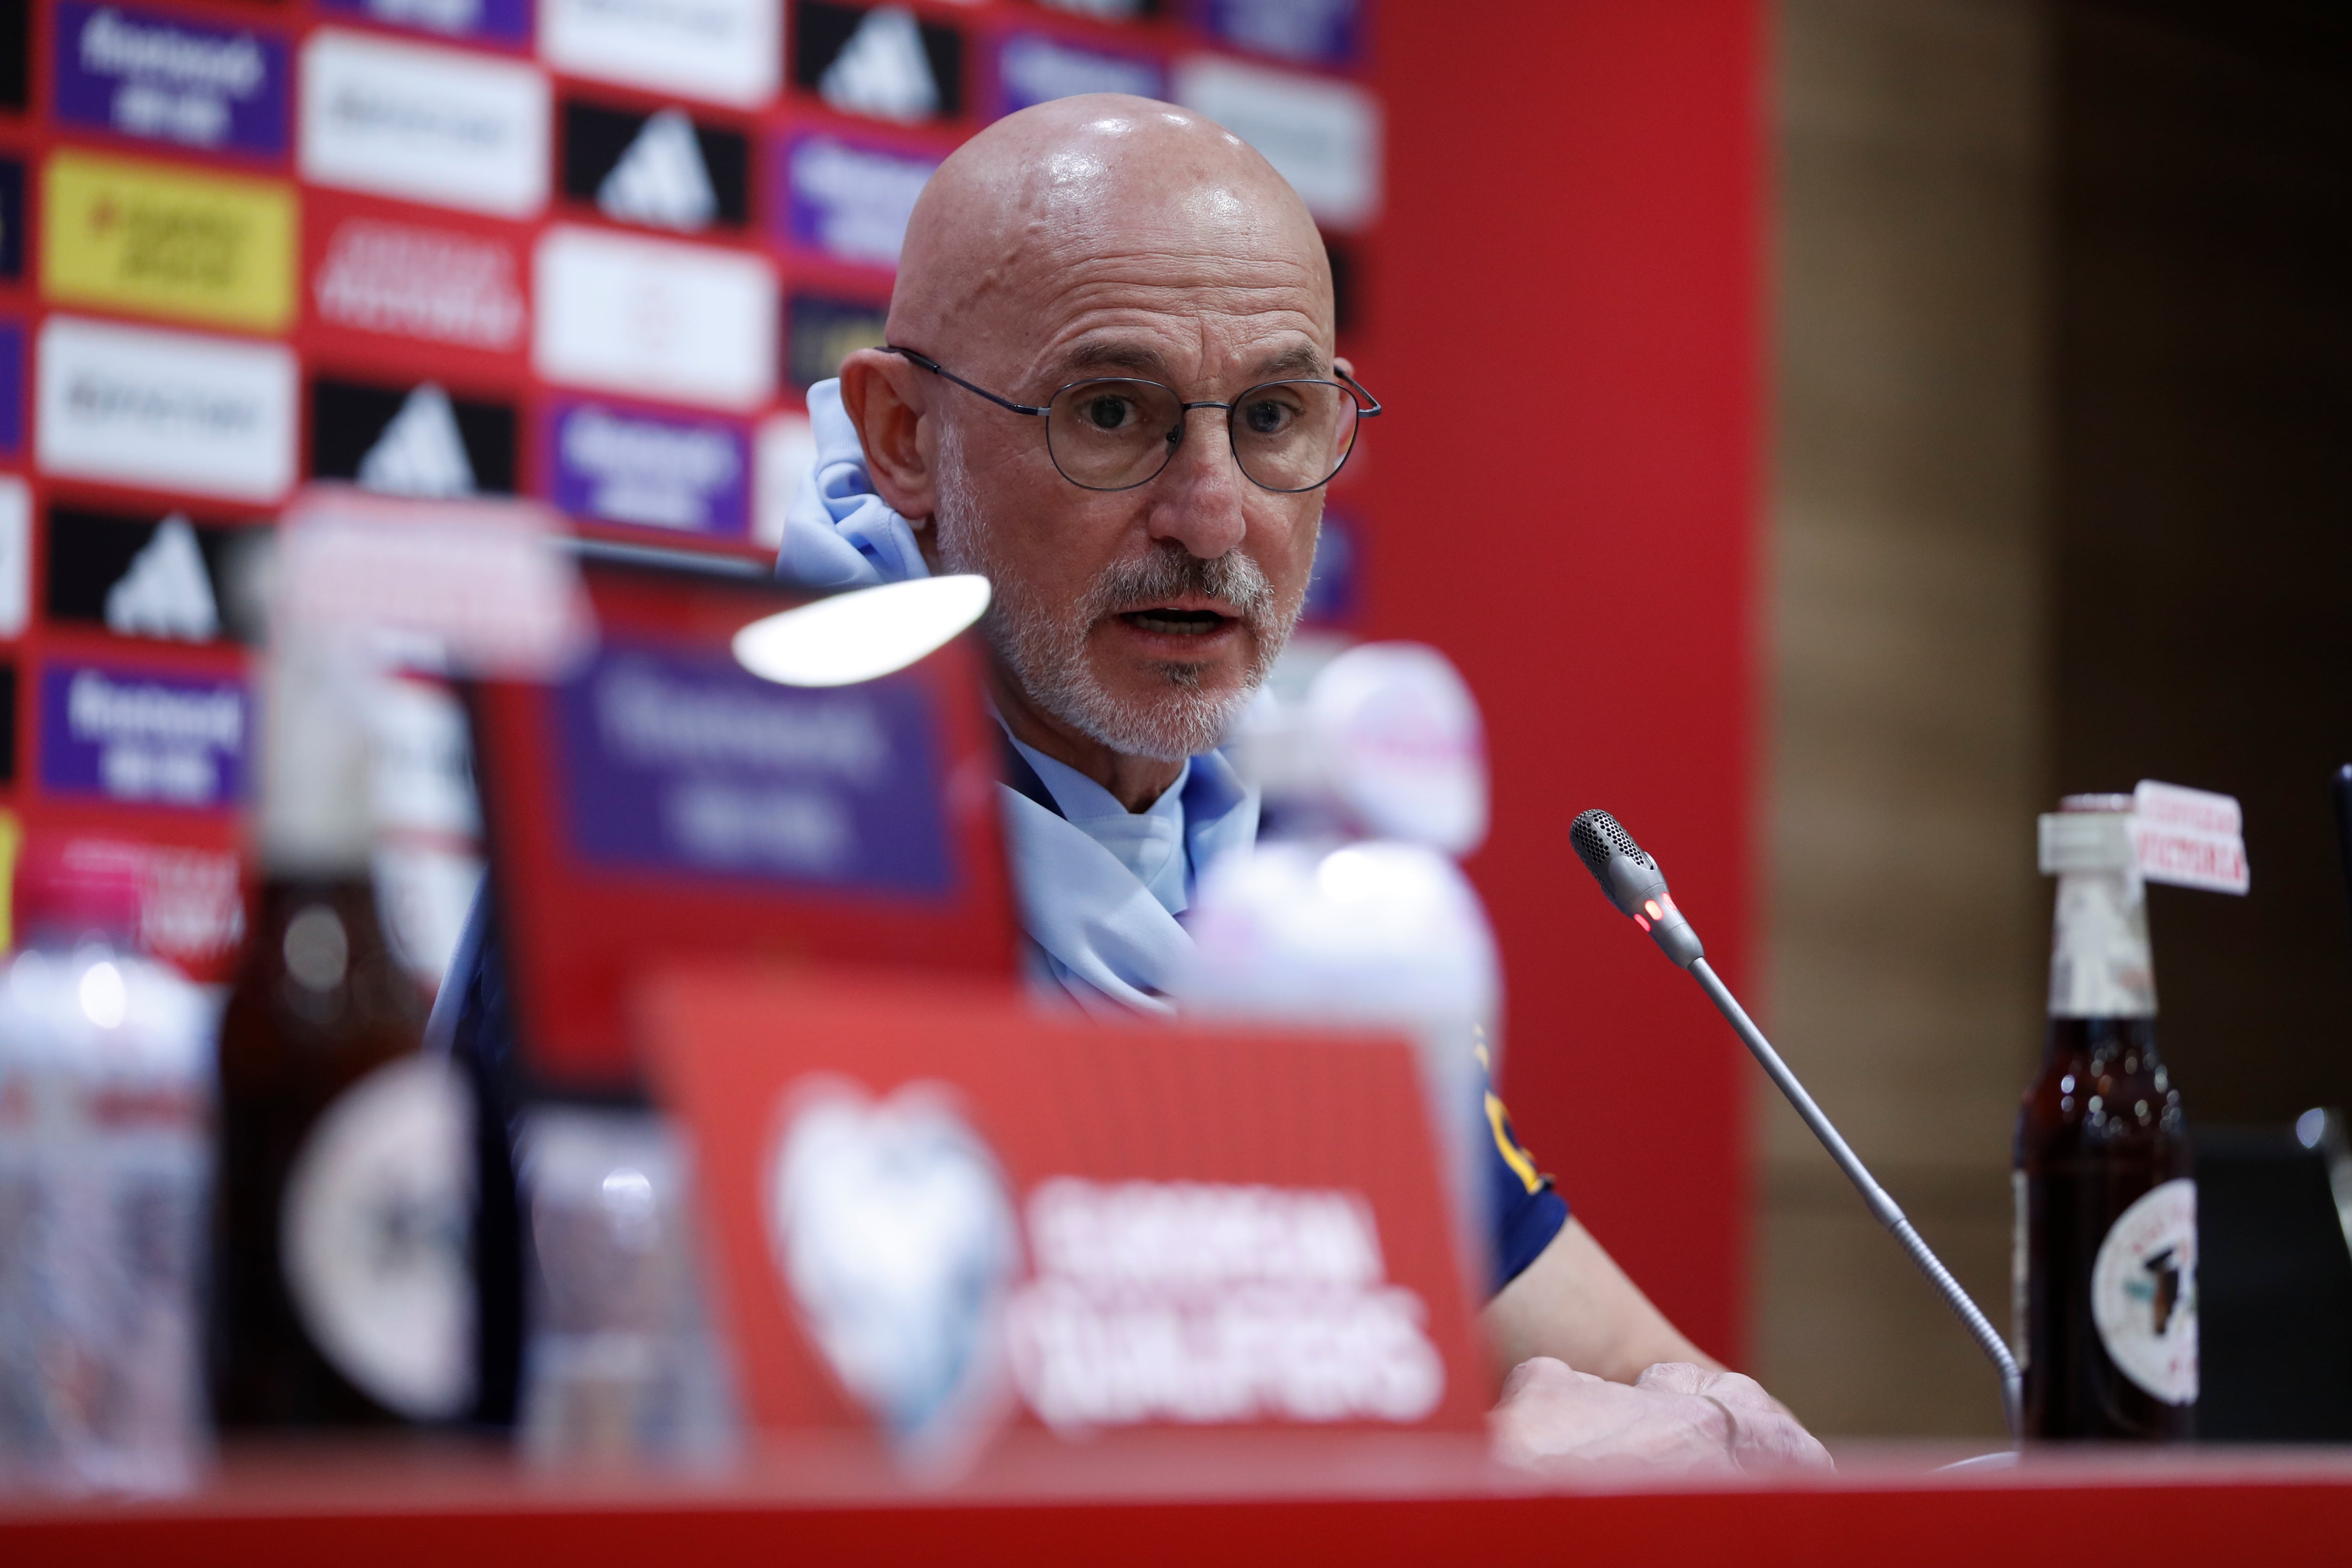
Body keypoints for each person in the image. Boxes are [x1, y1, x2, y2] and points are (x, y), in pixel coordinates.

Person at [776, 93, 1829, 1474]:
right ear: (905, 441)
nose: (1214, 515)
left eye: (1272, 415)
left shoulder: (1274, 898)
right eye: (1111, 411)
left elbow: (1682, 1394)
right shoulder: (728, 836)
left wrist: (1684, 1430)